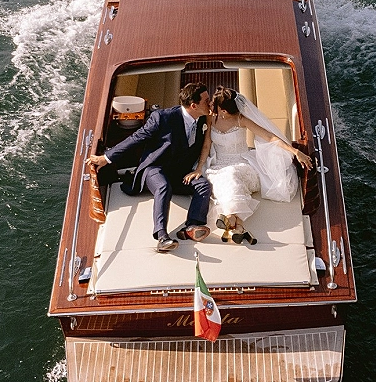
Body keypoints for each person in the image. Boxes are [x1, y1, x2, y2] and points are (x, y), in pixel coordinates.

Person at [86, 82, 212, 253]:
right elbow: (137, 138)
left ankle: (191, 226)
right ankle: (162, 237)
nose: (210, 103)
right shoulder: (162, 117)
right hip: (155, 169)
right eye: (207, 100)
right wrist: (106, 158)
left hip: (180, 173)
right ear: (193, 105)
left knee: (203, 185)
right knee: (163, 186)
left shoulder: (204, 118)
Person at [196, 86, 313, 244]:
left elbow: (269, 136)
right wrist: (199, 167)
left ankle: (230, 218)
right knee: (223, 182)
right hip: (218, 164)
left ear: (223, 110)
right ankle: (237, 226)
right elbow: (206, 145)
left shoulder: (241, 119)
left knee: (232, 177)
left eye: (214, 105)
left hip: (243, 163)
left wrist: (295, 152)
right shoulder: (212, 118)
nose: (210, 106)